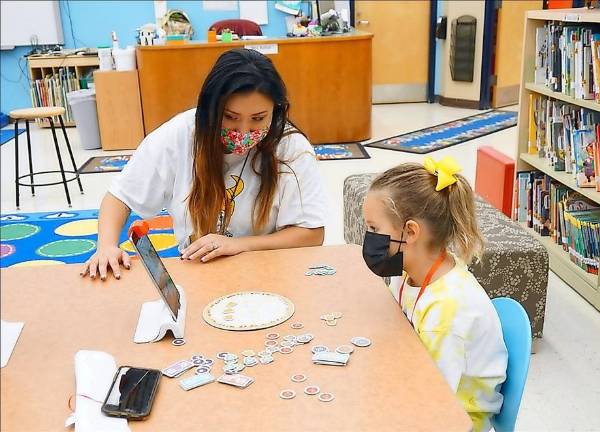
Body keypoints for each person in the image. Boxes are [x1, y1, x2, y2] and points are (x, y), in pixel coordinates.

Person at [81, 48, 327, 280]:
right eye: (230, 117)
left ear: (276, 111)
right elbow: (120, 196)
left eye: (258, 119)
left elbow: (311, 233)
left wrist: (240, 245)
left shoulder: (291, 148)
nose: (243, 131)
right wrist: (106, 246)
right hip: (199, 271)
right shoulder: (181, 134)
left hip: (270, 270)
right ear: (210, 109)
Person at [361, 156, 507, 432]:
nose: (368, 237)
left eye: (374, 228)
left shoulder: (445, 314)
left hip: (457, 419)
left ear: (411, 232)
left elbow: (431, 407)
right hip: (418, 383)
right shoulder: (414, 270)